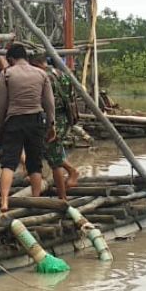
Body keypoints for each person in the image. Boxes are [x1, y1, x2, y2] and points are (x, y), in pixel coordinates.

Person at [0, 43, 55, 211]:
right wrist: (51, 124)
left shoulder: (6, 74)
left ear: (11, 59)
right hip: (36, 120)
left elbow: (0, 104)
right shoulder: (41, 74)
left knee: (9, 163)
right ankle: (35, 200)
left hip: (14, 121)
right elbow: (49, 103)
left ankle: (4, 201)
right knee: (35, 163)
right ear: (26, 57)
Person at [33, 56, 81, 199]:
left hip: (52, 120)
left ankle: (62, 197)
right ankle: (70, 173)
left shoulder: (43, 77)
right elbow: (72, 96)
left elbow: (44, 101)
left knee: (54, 159)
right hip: (65, 118)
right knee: (51, 152)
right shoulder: (63, 75)